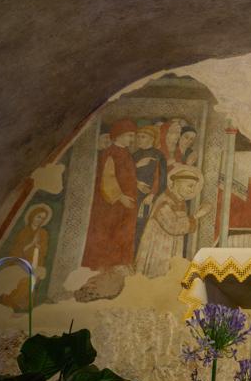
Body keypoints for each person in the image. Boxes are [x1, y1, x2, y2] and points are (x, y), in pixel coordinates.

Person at [82, 118, 139, 269]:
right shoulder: (111, 153)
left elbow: (125, 176)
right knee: (109, 233)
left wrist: (137, 185)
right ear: (118, 135)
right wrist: (120, 197)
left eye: (133, 136)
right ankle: (105, 267)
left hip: (126, 203)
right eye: (129, 135)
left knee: (123, 234)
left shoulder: (126, 153)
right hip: (112, 206)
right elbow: (108, 178)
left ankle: (119, 265)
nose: (132, 139)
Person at [135, 166, 211, 278]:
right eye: (190, 186)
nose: (192, 190)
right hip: (158, 248)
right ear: (177, 183)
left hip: (170, 246)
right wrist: (197, 215)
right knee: (157, 279)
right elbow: (173, 226)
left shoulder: (180, 202)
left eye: (194, 187)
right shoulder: (165, 201)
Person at [0, 204, 51, 311]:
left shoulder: (43, 233)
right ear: (32, 216)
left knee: (29, 284)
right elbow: (17, 249)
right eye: (38, 217)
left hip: (36, 262)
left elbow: (44, 250)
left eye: (43, 218)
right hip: (21, 263)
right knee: (19, 283)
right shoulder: (24, 231)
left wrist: (39, 247)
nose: (40, 220)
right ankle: (10, 304)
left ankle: (22, 305)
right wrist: (32, 244)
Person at [132, 125, 167, 246]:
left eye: (143, 137)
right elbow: (126, 174)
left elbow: (161, 178)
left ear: (152, 139)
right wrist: (136, 183)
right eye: (138, 137)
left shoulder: (158, 155)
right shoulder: (134, 155)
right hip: (134, 194)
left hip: (149, 198)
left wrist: (152, 195)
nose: (139, 139)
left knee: (143, 226)